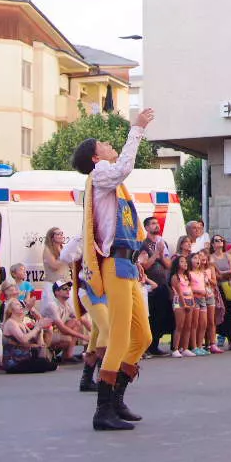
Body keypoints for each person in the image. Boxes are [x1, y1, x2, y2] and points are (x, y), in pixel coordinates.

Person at [72, 109, 157, 432]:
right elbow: (124, 166)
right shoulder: (102, 173)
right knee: (120, 336)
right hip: (115, 264)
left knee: (143, 336)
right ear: (96, 157)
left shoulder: (106, 180)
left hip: (126, 263)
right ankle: (103, 409)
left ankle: (116, 398)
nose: (109, 145)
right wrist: (136, 129)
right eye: (104, 144)